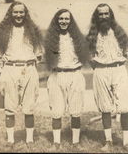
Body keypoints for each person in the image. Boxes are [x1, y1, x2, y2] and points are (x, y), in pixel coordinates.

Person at [86, 3, 128, 152]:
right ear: (97, 16)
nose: (104, 16)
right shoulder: (92, 35)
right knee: (105, 108)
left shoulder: (119, 32)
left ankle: (126, 143)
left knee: (125, 107)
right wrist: (100, 68)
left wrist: (115, 65)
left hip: (119, 70)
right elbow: (89, 56)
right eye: (100, 14)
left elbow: (126, 53)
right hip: (101, 71)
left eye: (106, 13)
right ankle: (108, 142)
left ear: (110, 15)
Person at [0, 1, 43, 145]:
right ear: (11, 13)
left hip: (28, 69)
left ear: (25, 14)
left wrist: (30, 66)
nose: (18, 15)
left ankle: (29, 139)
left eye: (21, 12)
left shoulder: (32, 31)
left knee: (29, 106)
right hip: (10, 69)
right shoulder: (3, 31)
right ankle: (10, 140)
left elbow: (39, 54)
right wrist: (3, 71)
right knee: (9, 106)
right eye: (15, 12)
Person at [44, 9, 86, 151]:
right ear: (57, 20)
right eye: (61, 19)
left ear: (70, 20)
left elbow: (85, 55)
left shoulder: (77, 37)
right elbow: (47, 59)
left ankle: (75, 142)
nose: (63, 21)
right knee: (56, 110)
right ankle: (56, 143)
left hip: (75, 74)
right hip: (57, 75)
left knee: (75, 110)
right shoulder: (51, 38)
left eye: (66, 19)